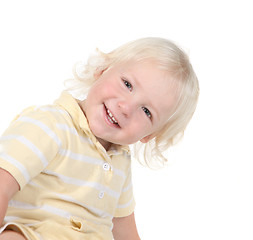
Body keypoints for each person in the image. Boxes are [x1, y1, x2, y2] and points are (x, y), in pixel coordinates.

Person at [0, 37, 199, 240]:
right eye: (127, 84)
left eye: (146, 111)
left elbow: (125, 229)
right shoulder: (50, 124)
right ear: (102, 69)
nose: (126, 107)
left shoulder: (120, 160)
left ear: (149, 135)